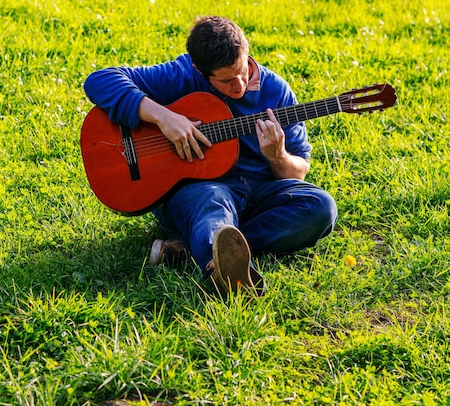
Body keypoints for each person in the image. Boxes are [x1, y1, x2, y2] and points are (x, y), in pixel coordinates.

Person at [83, 16, 337, 297]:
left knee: (321, 206)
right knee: (213, 202)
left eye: (242, 71)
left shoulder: (276, 91)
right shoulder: (184, 74)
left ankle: (190, 249)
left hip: (260, 191)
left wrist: (278, 156)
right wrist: (165, 118)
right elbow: (100, 80)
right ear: (201, 72)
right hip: (198, 191)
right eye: (226, 81)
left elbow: (297, 173)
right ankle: (222, 266)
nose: (239, 85)